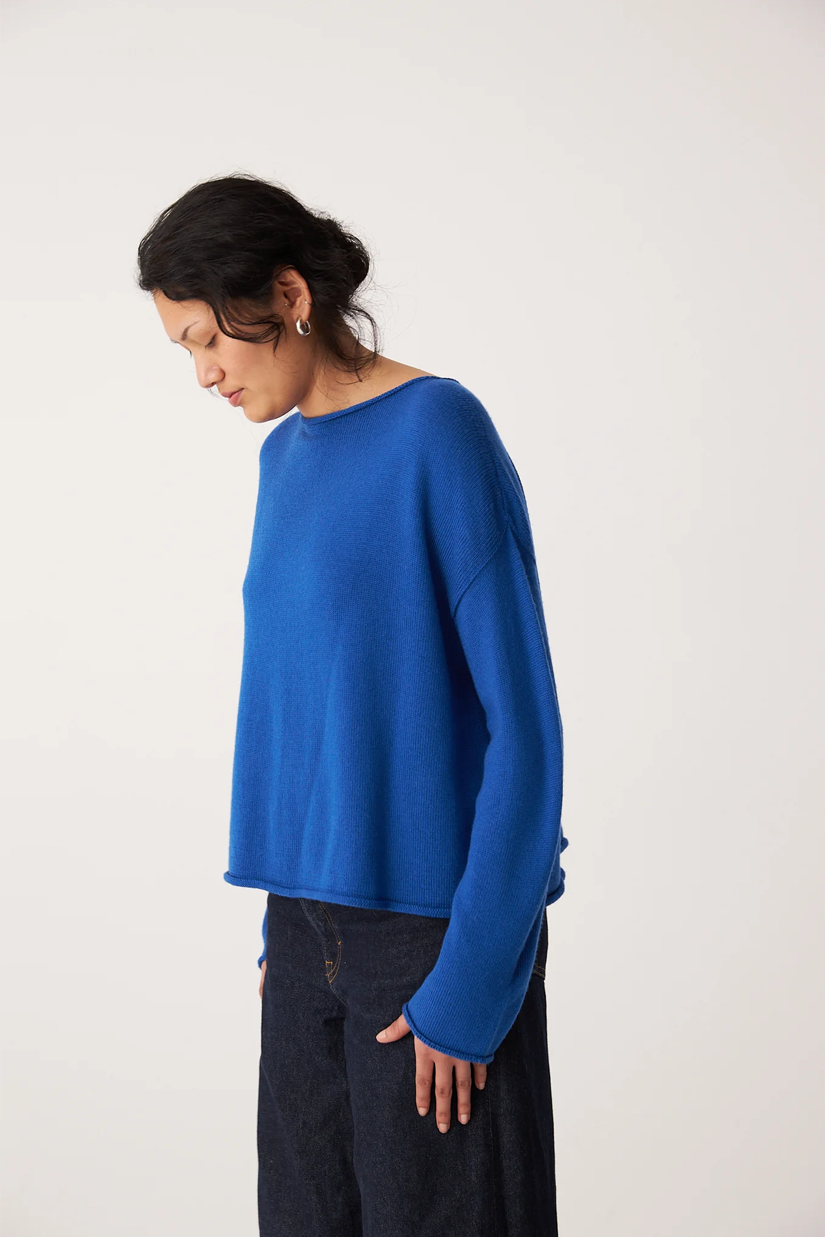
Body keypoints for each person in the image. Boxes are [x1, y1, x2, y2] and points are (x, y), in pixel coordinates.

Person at [136, 171, 569, 1237]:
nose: (203, 373)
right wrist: (288, 933)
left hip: (431, 940)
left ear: (288, 295)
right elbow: (312, 704)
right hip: (301, 934)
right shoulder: (279, 458)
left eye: (207, 339)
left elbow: (525, 729)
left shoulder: (439, 431)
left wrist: (474, 980)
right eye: (184, 350)